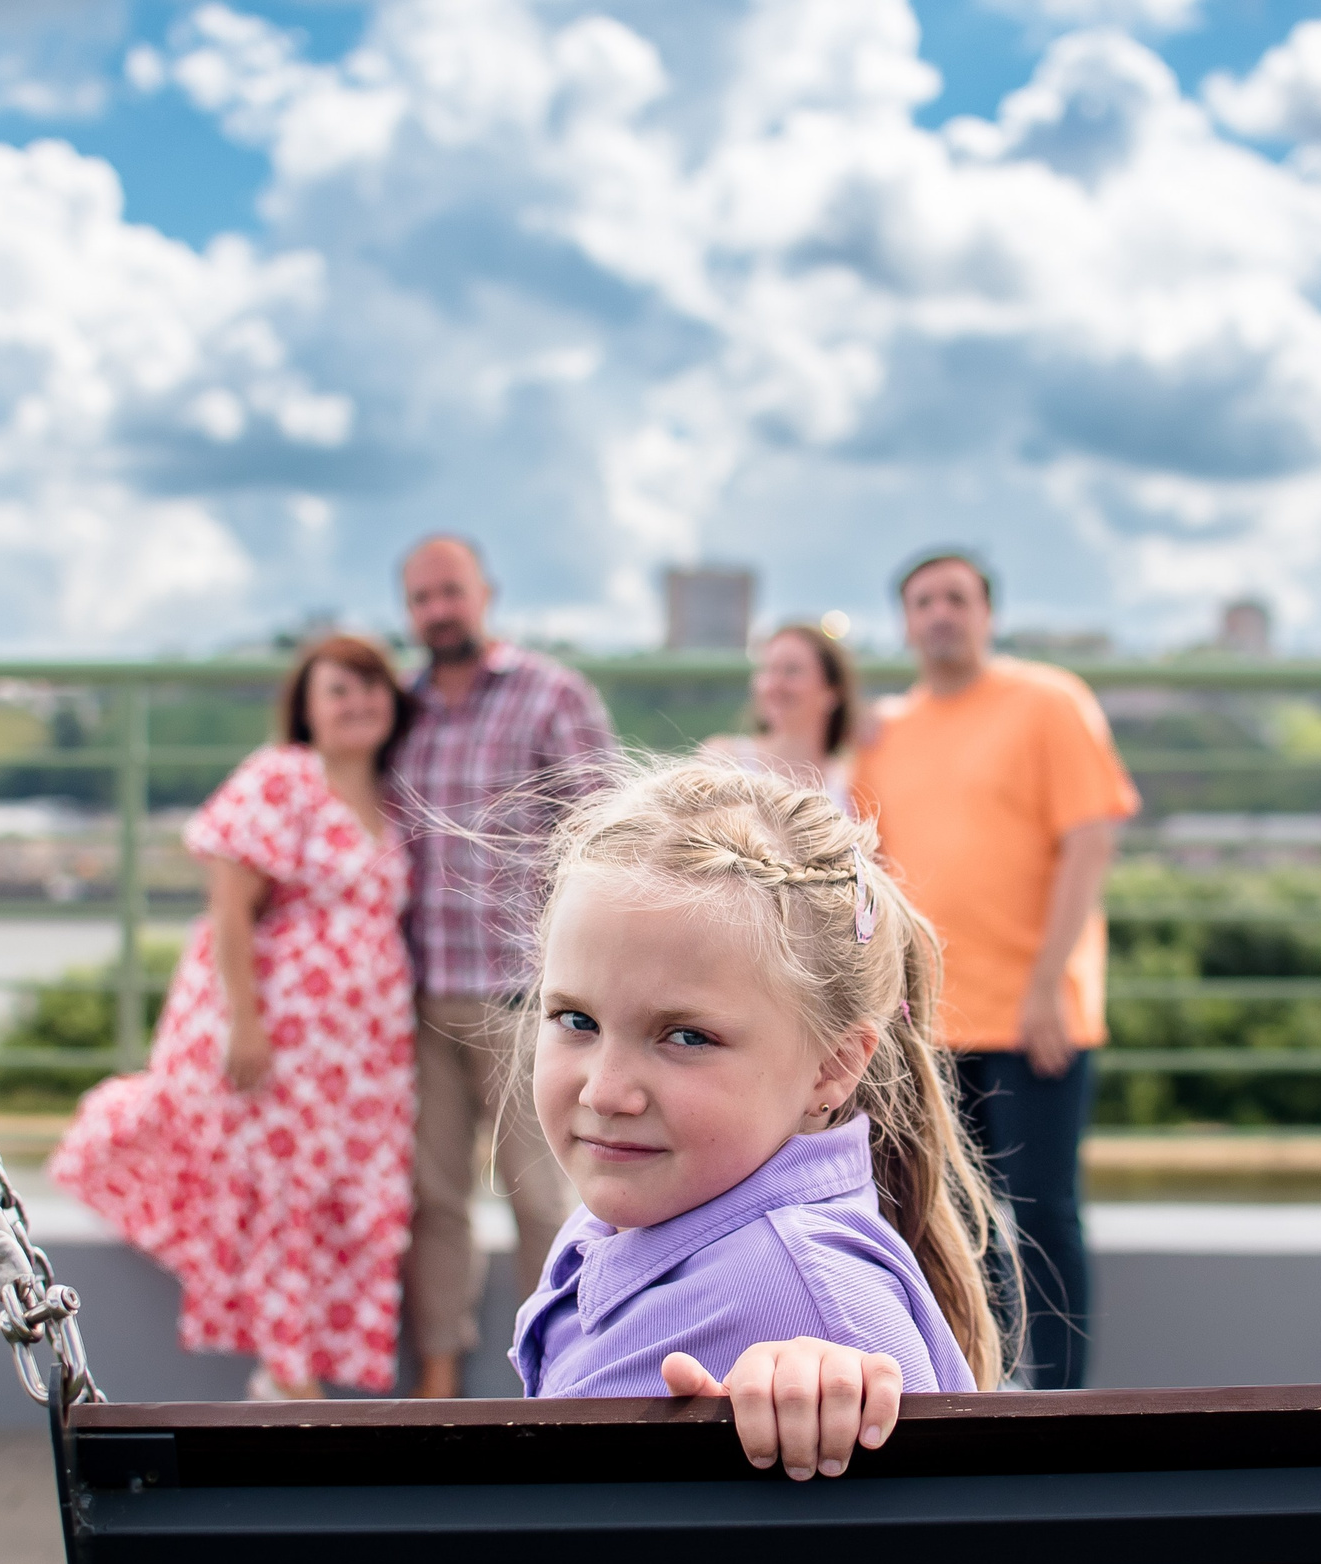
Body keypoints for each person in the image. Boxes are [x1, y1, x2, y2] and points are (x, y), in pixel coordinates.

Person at [510, 758, 1011, 1478]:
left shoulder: (809, 1296)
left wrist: (832, 1389)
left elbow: (955, 1562)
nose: (606, 1091)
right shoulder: (642, 1211)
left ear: (834, 1066)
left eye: (686, 1036)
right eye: (576, 1019)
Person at [50, 634, 418, 1400]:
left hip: (365, 1055)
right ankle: (287, 1372)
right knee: (285, 1186)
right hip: (287, 1037)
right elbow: (229, 905)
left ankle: (301, 1364)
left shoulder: (390, 794)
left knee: (342, 1192)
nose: (358, 703)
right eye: (338, 691)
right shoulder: (284, 776)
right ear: (306, 710)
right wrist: (245, 1022)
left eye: (371, 686)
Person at [850, 551, 1139, 1391]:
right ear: (905, 622)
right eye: (923, 601)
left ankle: (1064, 1399)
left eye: (957, 598)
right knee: (947, 1220)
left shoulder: (1049, 702)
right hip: (926, 1022)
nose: (940, 613)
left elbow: (1090, 842)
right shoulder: (888, 733)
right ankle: (979, 1386)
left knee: (1045, 1215)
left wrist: (1050, 981)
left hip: (1035, 1015)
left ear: (988, 613)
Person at [389, 533, 617, 1398]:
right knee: (434, 1201)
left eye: (450, 591)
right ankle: (437, 1388)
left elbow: (602, 832)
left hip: (524, 996)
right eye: (420, 598)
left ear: (487, 591)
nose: (437, 610)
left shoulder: (550, 693)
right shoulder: (399, 707)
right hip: (418, 996)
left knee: (544, 1204)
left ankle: (557, 1387)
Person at [702, 622, 860, 813]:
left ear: (832, 691)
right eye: (768, 670)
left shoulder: (851, 781)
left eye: (792, 670)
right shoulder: (723, 761)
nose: (774, 685)